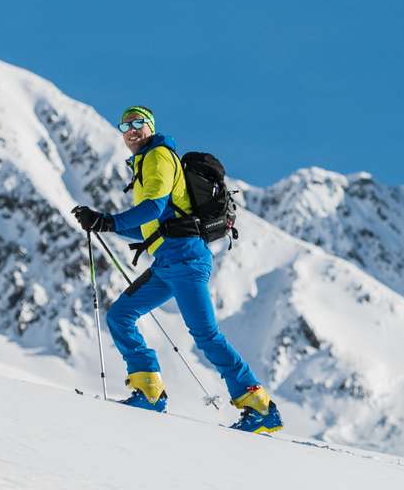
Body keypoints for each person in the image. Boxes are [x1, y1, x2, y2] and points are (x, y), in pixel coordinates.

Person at [71, 105, 285, 435]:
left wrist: (108, 221)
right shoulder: (142, 165)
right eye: (125, 125)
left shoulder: (159, 156)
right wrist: (103, 224)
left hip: (186, 261)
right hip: (167, 264)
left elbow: (153, 208)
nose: (131, 130)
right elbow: (149, 225)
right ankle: (150, 391)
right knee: (120, 316)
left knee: (206, 335)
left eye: (138, 123)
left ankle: (259, 407)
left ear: (151, 126)